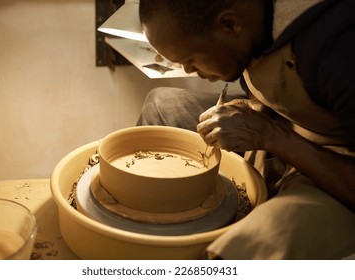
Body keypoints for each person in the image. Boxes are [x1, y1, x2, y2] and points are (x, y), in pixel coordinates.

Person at [136, 0, 355, 259]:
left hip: (335, 169)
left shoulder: (337, 47)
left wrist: (270, 134)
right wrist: (255, 107)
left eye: (191, 60)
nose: (188, 71)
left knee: (248, 245)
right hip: (286, 128)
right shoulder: (251, 24)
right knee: (162, 103)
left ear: (230, 24)